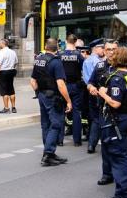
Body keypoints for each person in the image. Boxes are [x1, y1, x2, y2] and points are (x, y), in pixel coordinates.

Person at [96, 47, 127, 198]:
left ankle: (123, 195)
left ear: (117, 59)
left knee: (119, 158)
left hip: (118, 121)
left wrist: (102, 93)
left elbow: (115, 103)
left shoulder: (117, 78)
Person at [30, 38, 73, 167]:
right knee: (56, 124)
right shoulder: (56, 62)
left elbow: (32, 81)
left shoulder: (39, 60)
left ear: (46, 47)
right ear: (57, 48)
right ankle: (48, 154)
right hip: (53, 97)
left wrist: (39, 93)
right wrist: (68, 101)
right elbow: (61, 84)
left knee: (45, 124)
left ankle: (48, 152)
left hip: (42, 96)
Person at [87, 40, 119, 185]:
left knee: (120, 145)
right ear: (103, 51)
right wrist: (91, 88)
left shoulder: (124, 66)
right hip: (104, 111)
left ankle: (122, 173)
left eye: (114, 49)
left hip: (120, 111)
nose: (111, 52)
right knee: (106, 144)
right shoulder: (100, 66)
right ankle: (107, 174)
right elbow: (90, 82)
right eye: (108, 49)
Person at [59, 34, 86, 146]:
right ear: (75, 42)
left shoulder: (59, 54)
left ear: (66, 41)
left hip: (63, 86)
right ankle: (77, 141)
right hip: (76, 86)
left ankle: (59, 140)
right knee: (76, 112)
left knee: (61, 112)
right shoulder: (79, 56)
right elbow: (83, 70)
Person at [0, 39, 18, 114]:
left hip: (3, 72)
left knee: (4, 91)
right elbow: (16, 62)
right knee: (11, 89)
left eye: (0, 43)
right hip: (11, 71)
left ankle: (6, 108)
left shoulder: (2, 52)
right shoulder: (13, 52)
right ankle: (13, 107)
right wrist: (12, 68)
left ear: (3, 44)